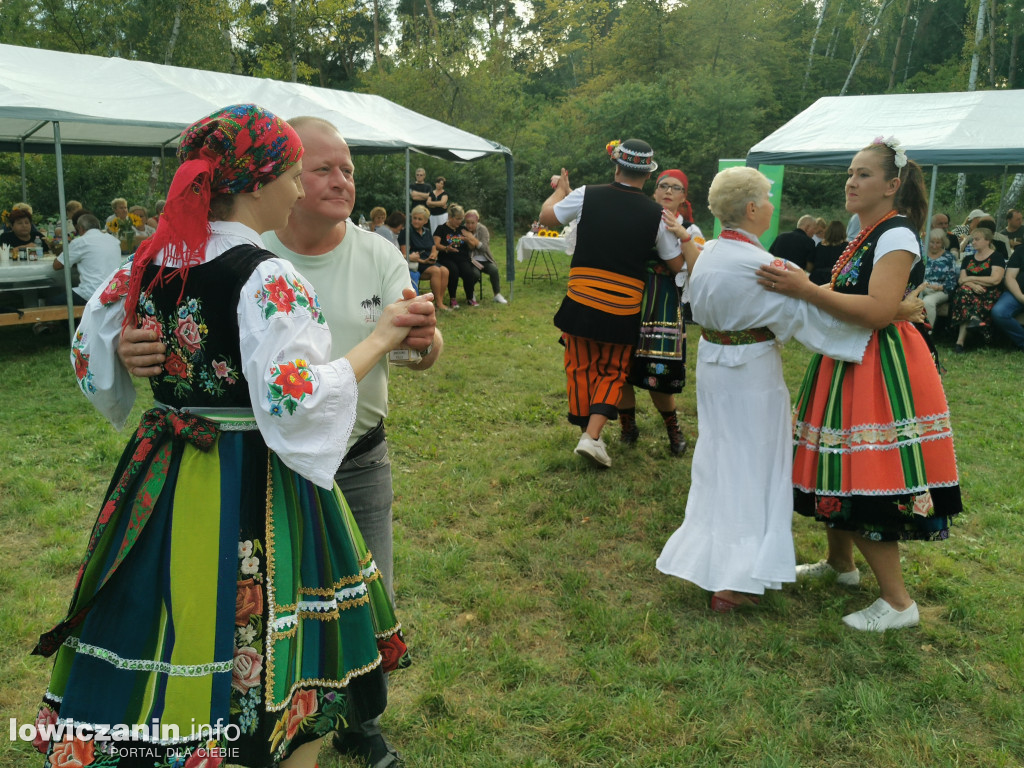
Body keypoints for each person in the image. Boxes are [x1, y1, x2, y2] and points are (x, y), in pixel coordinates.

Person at [34, 104, 423, 768]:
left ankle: (174, 727)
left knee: (175, 607)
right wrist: (382, 338)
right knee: (273, 626)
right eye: (294, 175)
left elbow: (88, 352)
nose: (298, 190)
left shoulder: (151, 261)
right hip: (251, 476)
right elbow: (295, 399)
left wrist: (129, 357)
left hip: (166, 471)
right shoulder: (265, 274)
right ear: (256, 182)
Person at [756, 137, 961, 632]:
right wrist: (809, 291)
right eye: (850, 172)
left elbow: (877, 311)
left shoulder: (896, 234)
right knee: (838, 461)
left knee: (867, 471)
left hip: (879, 365)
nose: (851, 181)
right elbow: (858, 296)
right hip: (851, 357)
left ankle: (898, 603)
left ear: (892, 185)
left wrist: (807, 290)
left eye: (864, 174)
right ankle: (841, 564)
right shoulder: (868, 232)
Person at [656, 166, 872, 611]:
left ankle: (715, 563)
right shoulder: (766, 266)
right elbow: (815, 319)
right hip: (750, 372)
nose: (773, 207)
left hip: (714, 367)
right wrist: (883, 317)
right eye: (769, 200)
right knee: (754, 465)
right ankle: (737, 580)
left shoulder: (709, 251)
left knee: (720, 459)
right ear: (752, 208)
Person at [539, 138, 695, 468]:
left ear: (616, 166)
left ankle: (590, 433)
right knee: (613, 370)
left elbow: (547, 217)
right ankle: (591, 436)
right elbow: (675, 264)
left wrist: (559, 192)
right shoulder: (657, 215)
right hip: (624, 306)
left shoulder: (586, 194)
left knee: (579, 367)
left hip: (581, 298)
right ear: (648, 176)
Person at [618, 168, 700, 455]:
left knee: (659, 370)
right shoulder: (638, 219)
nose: (668, 191)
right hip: (631, 295)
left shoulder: (691, 230)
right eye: (663, 185)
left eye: (676, 188)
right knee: (621, 364)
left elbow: (696, 269)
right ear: (654, 191)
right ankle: (628, 426)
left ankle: (673, 431)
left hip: (663, 302)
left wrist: (681, 237)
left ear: (683, 197)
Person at [951, 227, 1006, 352]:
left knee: (963, 294)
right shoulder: (968, 259)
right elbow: (961, 280)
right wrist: (973, 285)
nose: (973, 242)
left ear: (987, 241)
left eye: (977, 239)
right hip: (970, 291)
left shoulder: (997, 257)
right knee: (964, 292)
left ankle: (960, 342)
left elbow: (995, 280)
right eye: (972, 240)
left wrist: (970, 279)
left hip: (989, 293)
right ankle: (973, 323)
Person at [50, 212, 122, 305]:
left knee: (52, 301)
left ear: (80, 228)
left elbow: (57, 265)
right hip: (114, 292)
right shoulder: (114, 240)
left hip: (92, 293)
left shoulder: (81, 242)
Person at [400, 204, 449, 313]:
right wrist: (422, 260)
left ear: (425, 221)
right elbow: (404, 253)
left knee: (445, 270)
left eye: (419, 219)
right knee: (436, 271)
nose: (416, 221)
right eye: (414, 218)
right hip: (416, 263)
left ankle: (439, 301)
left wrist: (433, 255)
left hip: (429, 261)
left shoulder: (427, 232)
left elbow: (433, 248)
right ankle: (438, 303)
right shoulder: (406, 232)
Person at [434, 203, 478, 308]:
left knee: (468, 272)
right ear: (450, 217)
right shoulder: (441, 229)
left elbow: (473, 246)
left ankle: (470, 298)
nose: (460, 221)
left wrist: (467, 240)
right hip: (447, 258)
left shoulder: (463, 229)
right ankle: (453, 299)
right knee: (453, 271)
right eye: (458, 219)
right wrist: (446, 248)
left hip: (462, 258)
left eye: (461, 219)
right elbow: (436, 245)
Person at [463, 209, 508, 304]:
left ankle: (497, 294)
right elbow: (467, 249)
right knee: (475, 274)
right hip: (471, 261)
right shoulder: (463, 230)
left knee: (494, 270)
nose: (470, 225)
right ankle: (471, 293)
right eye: (467, 223)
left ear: (477, 221)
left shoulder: (483, 229)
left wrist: (471, 238)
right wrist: (472, 242)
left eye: (472, 223)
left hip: (485, 259)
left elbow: (483, 248)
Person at [918, 228, 959, 327]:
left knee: (928, 302)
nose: (934, 245)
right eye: (932, 242)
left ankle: (927, 331)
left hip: (941, 290)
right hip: (922, 287)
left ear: (943, 243)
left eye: (938, 243)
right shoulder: (922, 255)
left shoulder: (949, 257)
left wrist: (938, 287)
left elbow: (952, 282)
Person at [991, 243, 1024, 353]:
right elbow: (1009, 277)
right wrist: (1021, 297)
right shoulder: (1021, 250)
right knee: (999, 312)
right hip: (1017, 293)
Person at [808, 220, 848, 286]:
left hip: (817, 279)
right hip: (836, 279)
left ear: (828, 231)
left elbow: (809, 265)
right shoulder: (847, 247)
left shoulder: (820, 245)